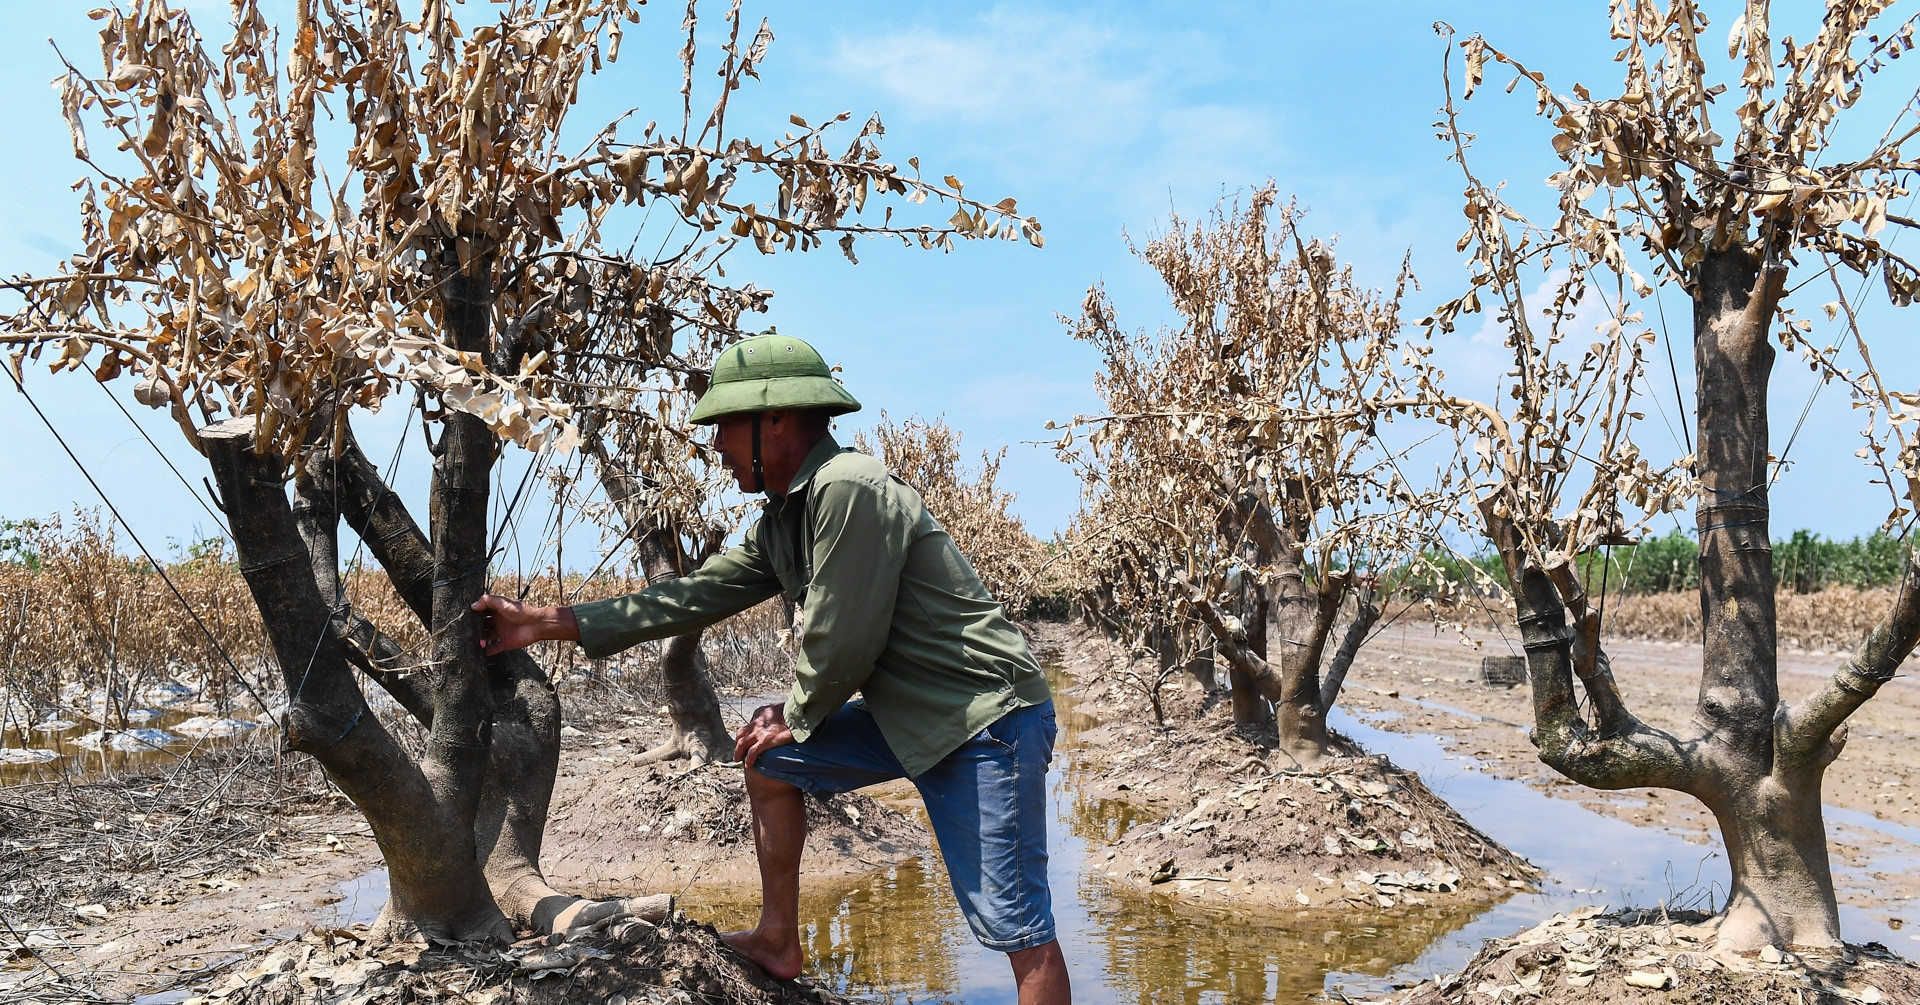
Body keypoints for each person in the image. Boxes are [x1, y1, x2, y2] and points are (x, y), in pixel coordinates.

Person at [472, 334, 1071, 1005]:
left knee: (1018, 927)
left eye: (725, 427)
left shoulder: (850, 489)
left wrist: (797, 711)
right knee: (768, 755)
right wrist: (544, 621)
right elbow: (691, 595)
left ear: (776, 420)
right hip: (912, 716)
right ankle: (779, 939)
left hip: (985, 720)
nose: (718, 448)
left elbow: (847, 639)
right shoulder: (786, 518)